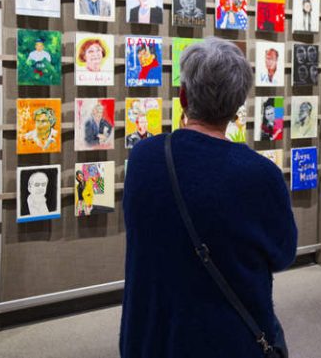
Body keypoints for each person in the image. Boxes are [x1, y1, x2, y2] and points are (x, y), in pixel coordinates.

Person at [121, 37, 296, 357]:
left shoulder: (143, 157)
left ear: (183, 96)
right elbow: (283, 255)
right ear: (237, 104)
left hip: (149, 337)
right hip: (226, 341)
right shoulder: (259, 174)